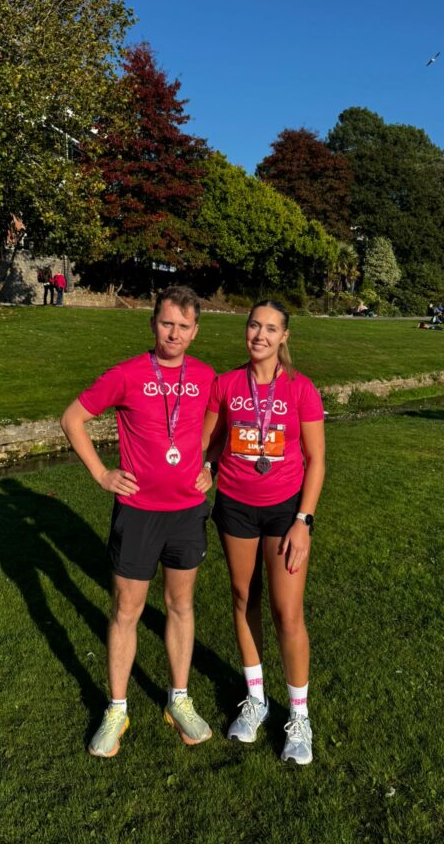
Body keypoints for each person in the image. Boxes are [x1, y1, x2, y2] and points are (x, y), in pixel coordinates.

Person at [60, 286, 216, 758]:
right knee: (126, 611)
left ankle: (179, 700)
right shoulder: (126, 374)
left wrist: (208, 462)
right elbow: (72, 419)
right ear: (153, 323)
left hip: (187, 511)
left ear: (195, 331)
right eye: (167, 323)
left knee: (180, 606)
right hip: (139, 512)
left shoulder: (206, 376)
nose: (174, 333)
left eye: (184, 326)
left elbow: (220, 420)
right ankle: (117, 708)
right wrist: (101, 474)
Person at [199, 300, 325, 765]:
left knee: (286, 612)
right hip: (235, 506)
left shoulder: (300, 388)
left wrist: (303, 521)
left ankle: (299, 716)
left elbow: (317, 461)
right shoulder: (226, 384)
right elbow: (209, 442)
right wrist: (206, 464)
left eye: (271, 329)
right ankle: (256, 699)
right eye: (254, 326)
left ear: (284, 337)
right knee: (242, 597)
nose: (260, 335)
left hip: (285, 511)